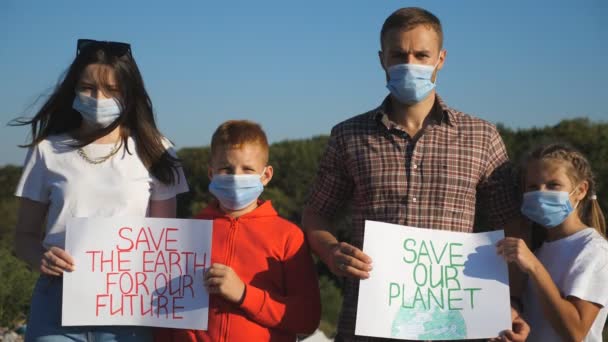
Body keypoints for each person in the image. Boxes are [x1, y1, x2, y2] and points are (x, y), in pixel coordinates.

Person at [301, 7, 530, 342]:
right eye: (399, 54)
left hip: (457, 327)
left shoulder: (482, 136)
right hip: (368, 325)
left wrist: (510, 302)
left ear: (441, 59)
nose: (410, 63)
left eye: (421, 54)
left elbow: (514, 226)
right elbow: (316, 215)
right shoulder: (348, 136)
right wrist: (331, 251)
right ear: (382, 59)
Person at [12, 39, 189, 341]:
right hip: (57, 303)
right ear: (73, 91)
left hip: (129, 308)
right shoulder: (47, 150)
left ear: (130, 94)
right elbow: (23, 238)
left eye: (112, 90)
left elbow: (164, 241)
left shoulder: (157, 151)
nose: (98, 98)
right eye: (88, 88)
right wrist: (41, 257)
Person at [156, 120, 321, 341]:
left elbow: (307, 319)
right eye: (226, 169)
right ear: (210, 173)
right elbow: (164, 311)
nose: (236, 177)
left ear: (266, 175)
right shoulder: (186, 232)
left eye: (248, 169)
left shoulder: (289, 237)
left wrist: (244, 294)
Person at [497, 143, 608, 341]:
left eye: (553, 185)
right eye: (532, 186)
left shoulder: (593, 250)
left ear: (581, 190)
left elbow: (574, 331)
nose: (541, 194)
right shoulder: (538, 247)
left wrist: (534, 267)